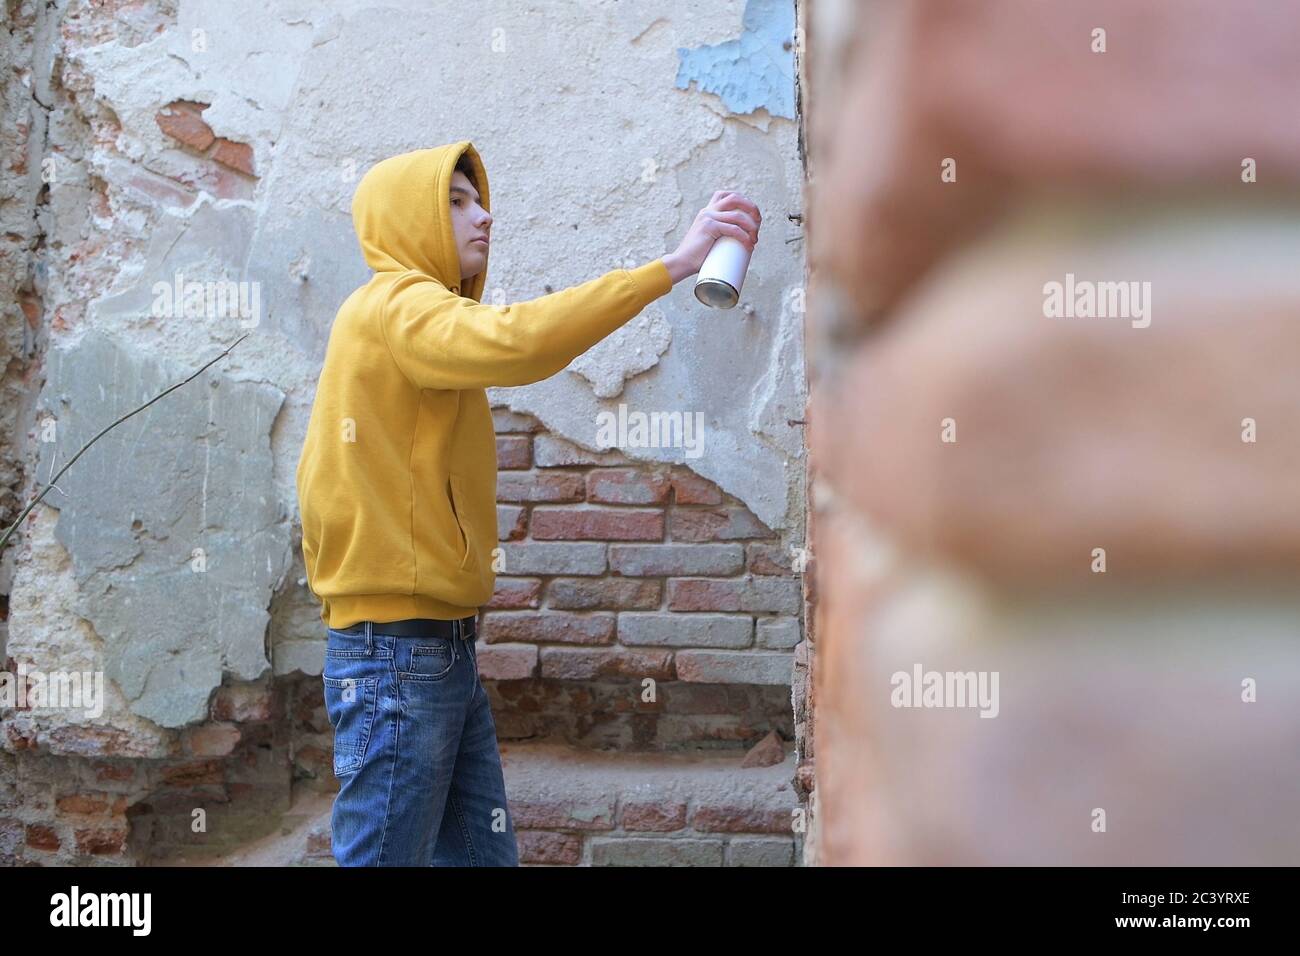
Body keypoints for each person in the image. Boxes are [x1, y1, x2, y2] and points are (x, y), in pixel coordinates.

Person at [294, 140, 761, 866]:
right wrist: (671, 267)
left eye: (478, 199)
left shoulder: (409, 318)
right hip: (397, 656)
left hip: (434, 649)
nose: (482, 216)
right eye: (454, 201)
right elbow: (522, 343)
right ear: (403, 219)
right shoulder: (398, 306)